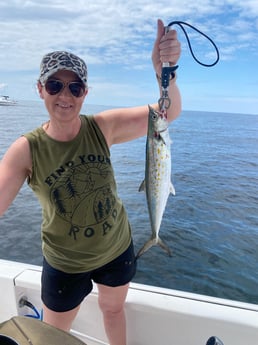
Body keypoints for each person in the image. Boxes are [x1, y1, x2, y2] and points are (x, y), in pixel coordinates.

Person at [0, 19, 181, 345]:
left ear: (85, 93)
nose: (64, 95)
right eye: (54, 85)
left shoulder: (102, 127)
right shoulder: (26, 150)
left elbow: (166, 113)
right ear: (40, 89)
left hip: (116, 249)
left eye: (75, 87)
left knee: (113, 311)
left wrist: (164, 73)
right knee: (53, 337)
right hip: (65, 264)